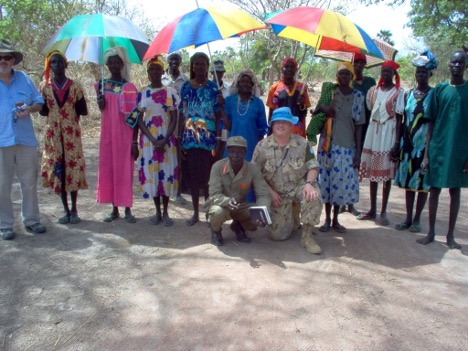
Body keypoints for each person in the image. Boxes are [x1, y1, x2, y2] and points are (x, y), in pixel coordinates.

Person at [252, 107, 323, 254]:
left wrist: (309, 184)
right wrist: (270, 192)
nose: (280, 125)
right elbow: (255, 173)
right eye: (277, 122)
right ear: (272, 124)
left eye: (285, 122)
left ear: (291, 124)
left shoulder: (303, 144)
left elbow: (313, 166)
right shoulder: (262, 146)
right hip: (277, 194)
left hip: (299, 187)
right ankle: (292, 215)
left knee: (312, 195)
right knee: (277, 236)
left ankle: (307, 237)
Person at [417, 48, 468, 250]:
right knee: (435, 189)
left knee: (455, 191)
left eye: (460, 62)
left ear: (465, 66)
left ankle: (450, 235)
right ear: (449, 65)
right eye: (454, 62)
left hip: (459, 149)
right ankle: (430, 232)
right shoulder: (439, 90)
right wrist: (427, 154)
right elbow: (431, 122)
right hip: (438, 146)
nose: (456, 66)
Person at [0, 39, 46, 240]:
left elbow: (39, 103)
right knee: (2, 184)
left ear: (13, 60)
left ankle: (32, 220)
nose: (3, 61)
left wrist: (29, 109)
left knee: (29, 182)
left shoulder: (24, 78)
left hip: (25, 139)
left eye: (7, 57)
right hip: (2, 140)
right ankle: (5, 225)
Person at [314, 62, 365, 234]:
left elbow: (359, 126)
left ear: (351, 76)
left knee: (339, 185)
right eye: (341, 74)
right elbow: (315, 114)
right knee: (326, 183)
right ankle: (327, 220)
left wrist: (357, 152)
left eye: (347, 74)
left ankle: (336, 219)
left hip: (345, 146)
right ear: (337, 76)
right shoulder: (330, 93)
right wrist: (324, 108)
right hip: (327, 145)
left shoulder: (358, 96)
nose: (343, 77)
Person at [40, 51, 88, 225]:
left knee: (72, 170)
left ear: (66, 65)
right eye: (52, 62)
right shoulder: (44, 87)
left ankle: (74, 209)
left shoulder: (75, 86)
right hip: (53, 136)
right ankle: (65, 210)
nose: (56, 65)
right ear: (49, 65)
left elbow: (83, 110)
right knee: (59, 170)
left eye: (59, 62)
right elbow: (43, 110)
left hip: (71, 136)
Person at [393, 50, 437, 233]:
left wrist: (428, 150)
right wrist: (397, 143)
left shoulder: (434, 95)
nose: (421, 74)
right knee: (409, 182)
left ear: (430, 74)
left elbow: (433, 122)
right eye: (418, 71)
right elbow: (401, 121)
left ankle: (418, 219)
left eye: (424, 72)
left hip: (424, 147)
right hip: (408, 145)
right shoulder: (408, 95)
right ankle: (408, 218)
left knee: (422, 183)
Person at [357, 60, 404, 226]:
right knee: (373, 174)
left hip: (388, 133)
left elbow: (399, 119)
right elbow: (369, 111)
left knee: (386, 176)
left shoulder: (398, 92)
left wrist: (397, 142)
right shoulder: (373, 91)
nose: (385, 74)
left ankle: (383, 210)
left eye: (388, 71)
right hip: (374, 130)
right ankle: (372, 209)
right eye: (383, 71)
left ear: (393, 74)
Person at [95, 47, 139, 223]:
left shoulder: (129, 87)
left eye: (116, 62)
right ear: (107, 64)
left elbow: (136, 114)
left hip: (125, 135)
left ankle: (127, 208)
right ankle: (114, 209)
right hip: (108, 134)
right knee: (110, 168)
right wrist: (100, 103)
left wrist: (134, 141)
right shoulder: (101, 85)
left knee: (124, 169)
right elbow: (102, 110)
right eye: (110, 62)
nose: (113, 64)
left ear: (122, 64)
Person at [178, 52, 222, 226]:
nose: (199, 67)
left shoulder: (213, 88)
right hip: (189, 139)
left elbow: (218, 116)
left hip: (208, 140)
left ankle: (210, 213)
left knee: (208, 180)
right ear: (192, 66)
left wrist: (218, 138)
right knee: (194, 178)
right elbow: (182, 114)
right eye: (196, 64)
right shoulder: (185, 87)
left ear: (207, 66)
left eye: (203, 64)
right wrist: (180, 138)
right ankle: (195, 213)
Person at [137, 55, 179, 227]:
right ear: (148, 73)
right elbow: (139, 119)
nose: (155, 72)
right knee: (153, 174)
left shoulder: (171, 92)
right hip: (149, 140)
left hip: (166, 138)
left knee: (166, 174)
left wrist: (164, 140)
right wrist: (154, 140)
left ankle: (167, 212)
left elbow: (174, 118)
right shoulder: (143, 92)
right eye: (151, 69)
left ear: (163, 72)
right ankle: (157, 211)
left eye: (158, 69)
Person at [205, 136, 271, 246]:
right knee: (217, 212)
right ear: (227, 151)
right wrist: (226, 201)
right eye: (232, 152)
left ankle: (238, 226)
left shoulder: (252, 169)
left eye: (239, 152)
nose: (235, 155)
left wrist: (263, 213)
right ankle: (215, 231)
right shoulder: (217, 167)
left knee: (256, 215)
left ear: (245, 152)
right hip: (221, 205)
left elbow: (263, 193)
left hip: (239, 205)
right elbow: (214, 194)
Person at [340, 53, 377, 215]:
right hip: (348, 128)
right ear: (352, 63)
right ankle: (342, 201)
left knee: (356, 166)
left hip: (365, 127)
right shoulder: (348, 81)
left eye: (362, 62)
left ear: (365, 65)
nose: (359, 65)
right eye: (356, 62)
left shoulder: (370, 82)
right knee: (344, 166)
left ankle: (351, 203)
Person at [221, 69, 268, 162]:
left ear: (252, 85)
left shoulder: (258, 103)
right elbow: (228, 127)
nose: (245, 84)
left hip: (251, 146)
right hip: (233, 146)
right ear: (237, 84)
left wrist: (258, 150)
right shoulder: (229, 101)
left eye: (248, 82)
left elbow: (261, 131)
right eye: (242, 82)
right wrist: (221, 107)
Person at [162, 51, 189, 206]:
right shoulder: (162, 79)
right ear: (168, 61)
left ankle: (178, 192)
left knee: (178, 157)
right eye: (171, 59)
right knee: (165, 156)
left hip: (180, 121)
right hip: (164, 122)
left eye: (177, 60)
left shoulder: (185, 80)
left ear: (180, 62)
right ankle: (165, 190)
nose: (174, 62)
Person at [266, 57, 311, 137]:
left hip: (297, 131)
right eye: (286, 66)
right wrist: (269, 132)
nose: (289, 69)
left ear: (296, 70)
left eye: (292, 67)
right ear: (281, 69)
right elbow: (271, 113)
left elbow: (304, 114)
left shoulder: (302, 88)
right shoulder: (274, 88)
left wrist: (302, 104)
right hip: (280, 130)